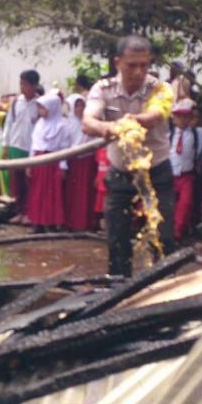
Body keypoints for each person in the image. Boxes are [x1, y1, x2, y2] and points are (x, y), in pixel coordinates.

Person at [83, 35, 176, 277]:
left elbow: (156, 115)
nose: (138, 71)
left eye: (144, 65)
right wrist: (106, 128)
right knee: (116, 238)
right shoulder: (103, 89)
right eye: (132, 65)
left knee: (163, 237)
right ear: (118, 63)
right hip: (121, 174)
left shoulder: (160, 88)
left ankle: (163, 291)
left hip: (156, 172)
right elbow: (88, 121)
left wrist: (132, 121)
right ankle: (119, 290)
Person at [0, 70, 41, 223]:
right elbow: (9, 124)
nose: (22, 87)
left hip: (30, 148)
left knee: (29, 182)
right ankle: (20, 211)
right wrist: (5, 145)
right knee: (16, 182)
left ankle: (30, 212)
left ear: (34, 85)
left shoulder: (39, 104)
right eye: (21, 83)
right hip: (15, 145)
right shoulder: (17, 102)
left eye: (25, 84)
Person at [169, 99, 202, 241]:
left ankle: (177, 233)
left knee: (186, 204)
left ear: (190, 118)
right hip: (170, 175)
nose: (182, 120)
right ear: (173, 118)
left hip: (186, 176)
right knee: (168, 205)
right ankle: (167, 233)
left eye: (185, 116)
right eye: (179, 116)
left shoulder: (197, 133)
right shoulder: (168, 133)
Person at [26, 93, 69, 231]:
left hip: (53, 162)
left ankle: (50, 222)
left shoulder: (62, 125)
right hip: (39, 162)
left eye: (43, 108)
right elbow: (34, 144)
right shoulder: (39, 124)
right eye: (39, 108)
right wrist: (30, 163)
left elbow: (64, 147)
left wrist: (62, 166)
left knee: (51, 193)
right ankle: (37, 221)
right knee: (37, 192)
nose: (41, 111)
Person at [64, 94, 99, 232]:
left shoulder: (91, 123)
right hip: (72, 161)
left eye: (82, 105)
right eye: (76, 105)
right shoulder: (68, 123)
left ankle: (86, 223)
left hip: (88, 161)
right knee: (72, 193)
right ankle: (71, 222)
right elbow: (65, 143)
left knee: (86, 192)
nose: (79, 108)